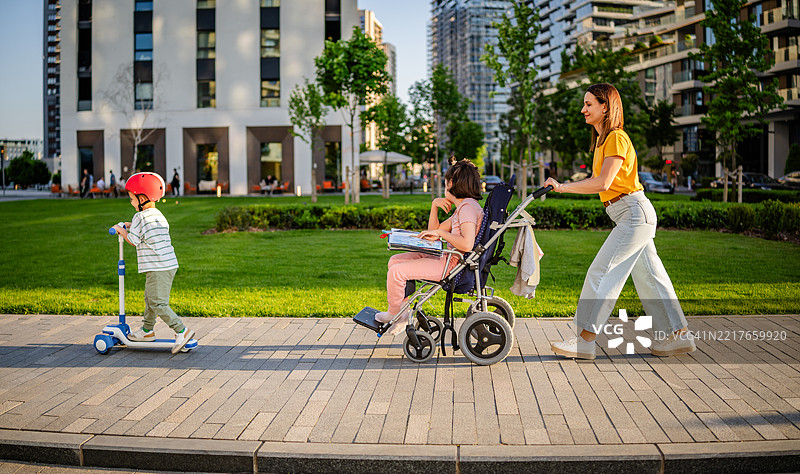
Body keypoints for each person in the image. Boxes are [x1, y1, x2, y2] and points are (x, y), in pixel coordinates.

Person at [544, 83, 694, 360]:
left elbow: (603, 182)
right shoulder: (604, 141)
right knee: (651, 278)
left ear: (605, 106)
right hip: (631, 214)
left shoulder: (615, 137)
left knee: (602, 272)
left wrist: (563, 187)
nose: (583, 109)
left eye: (589, 104)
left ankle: (585, 340)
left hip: (633, 214)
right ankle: (678, 335)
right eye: (584, 104)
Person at [376, 158, 484, 336]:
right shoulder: (464, 207)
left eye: (445, 183)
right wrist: (435, 206)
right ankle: (402, 311)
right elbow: (434, 232)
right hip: (447, 258)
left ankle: (395, 314)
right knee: (394, 260)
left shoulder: (467, 209)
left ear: (451, 183)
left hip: (451, 265)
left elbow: (467, 244)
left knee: (396, 272)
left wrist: (442, 235)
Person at [111, 172, 196, 354]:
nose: (131, 202)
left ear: (142, 198)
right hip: (167, 265)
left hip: (157, 267)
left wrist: (120, 229)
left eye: (132, 199)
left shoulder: (139, 218)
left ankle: (182, 330)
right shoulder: (157, 215)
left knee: (157, 303)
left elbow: (134, 240)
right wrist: (129, 224)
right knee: (150, 299)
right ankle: (147, 331)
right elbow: (147, 231)